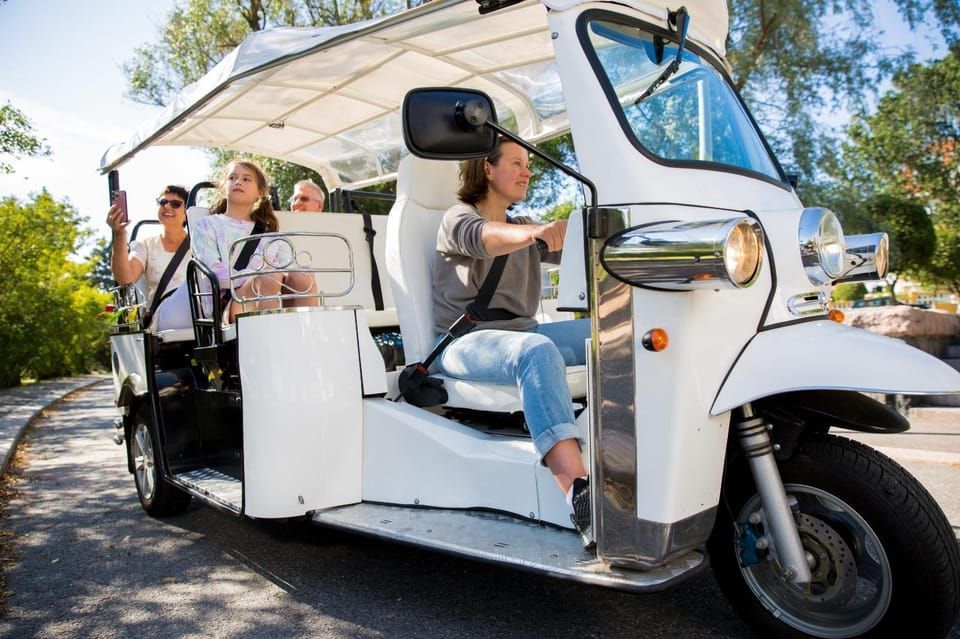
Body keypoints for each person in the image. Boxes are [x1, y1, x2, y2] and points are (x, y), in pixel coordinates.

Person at [432, 138, 593, 547]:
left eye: (528, 166)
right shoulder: (457, 219)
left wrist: (588, 233)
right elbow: (484, 237)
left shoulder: (523, 228)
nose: (527, 172)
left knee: (613, 331)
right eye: (517, 163)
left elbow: (574, 250)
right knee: (537, 352)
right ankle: (580, 493)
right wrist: (537, 232)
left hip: (522, 334)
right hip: (466, 342)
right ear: (487, 168)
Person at [193, 160, 319, 321]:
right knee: (268, 276)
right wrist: (261, 273)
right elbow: (216, 274)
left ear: (260, 192)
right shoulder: (207, 225)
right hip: (228, 303)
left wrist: (278, 274)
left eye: (246, 179)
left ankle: (309, 334)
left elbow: (288, 270)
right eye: (232, 178)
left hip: (271, 292)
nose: (238, 182)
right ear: (224, 186)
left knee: (302, 276)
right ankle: (270, 339)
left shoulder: (272, 236)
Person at [106, 185, 190, 305]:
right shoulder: (146, 246)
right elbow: (125, 279)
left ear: (187, 212)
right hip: (162, 319)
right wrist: (119, 234)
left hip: (197, 317)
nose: (167, 206)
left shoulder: (199, 245)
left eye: (175, 204)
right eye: (163, 202)